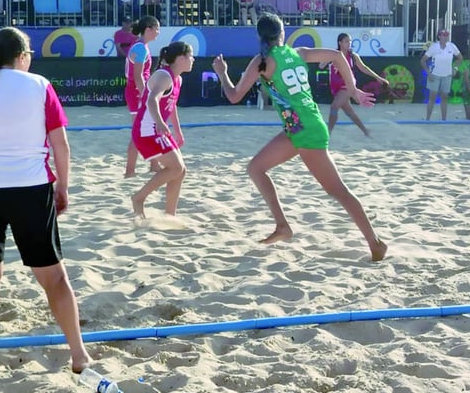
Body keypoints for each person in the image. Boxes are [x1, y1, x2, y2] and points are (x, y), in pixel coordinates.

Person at [0, 27, 91, 373]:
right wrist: (64, 186)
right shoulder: (39, 85)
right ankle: (78, 353)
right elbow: (60, 144)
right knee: (54, 277)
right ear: (22, 56)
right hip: (30, 186)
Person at [211, 14, 387, 261]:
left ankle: (375, 243)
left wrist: (222, 73)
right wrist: (353, 89)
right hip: (300, 127)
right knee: (256, 168)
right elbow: (337, 56)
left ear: (260, 37)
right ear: (282, 33)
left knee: (338, 190)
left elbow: (233, 96)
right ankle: (282, 226)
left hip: (305, 131)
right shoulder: (298, 53)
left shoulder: (262, 61)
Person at [129, 42, 194, 218]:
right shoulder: (164, 76)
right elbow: (152, 100)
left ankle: (170, 215)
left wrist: (178, 131)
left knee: (181, 171)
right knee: (176, 168)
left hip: (155, 129)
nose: (193, 59)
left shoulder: (177, 79)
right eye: (190, 56)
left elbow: (171, 107)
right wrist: (159, 122)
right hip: (146, 131)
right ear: (180, 58)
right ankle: (139, 198)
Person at [319, 32, 388, 136]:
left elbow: (363, 68)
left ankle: (328, 133)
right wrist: (328, 58)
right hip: (335, 87)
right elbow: (321, 66)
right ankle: (366, 131)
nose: (349, 43)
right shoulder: (334, 54)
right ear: (340, 42)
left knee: (334, 107)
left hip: (347, 85)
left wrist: (377, 77)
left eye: (350, 41)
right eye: (347, 41)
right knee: (349, 112)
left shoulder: (353, 56)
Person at [123, 16, 161, 177]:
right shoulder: (140, 48)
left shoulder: (141, 46)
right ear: (148, 29)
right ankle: (130, 171)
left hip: (137, 91)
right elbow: (138, 76)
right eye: (157, 29)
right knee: (138, 132)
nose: (158, 32)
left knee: (150, 128)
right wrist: (146, 97)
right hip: (137, 92)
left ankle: (154, 165)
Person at [421, 29, 462, 121]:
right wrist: (428, 73)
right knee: (432, 98)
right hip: (434, 75)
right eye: (443, 35)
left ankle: (444, 119)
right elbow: (423, 60)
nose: (445, 37)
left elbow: (460, 58)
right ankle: (428, 119)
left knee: (444, 98)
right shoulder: (434, 47)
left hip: (447, 75)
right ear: (439, 36)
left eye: (447, 35)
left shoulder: (451, 46)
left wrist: (455, 68)